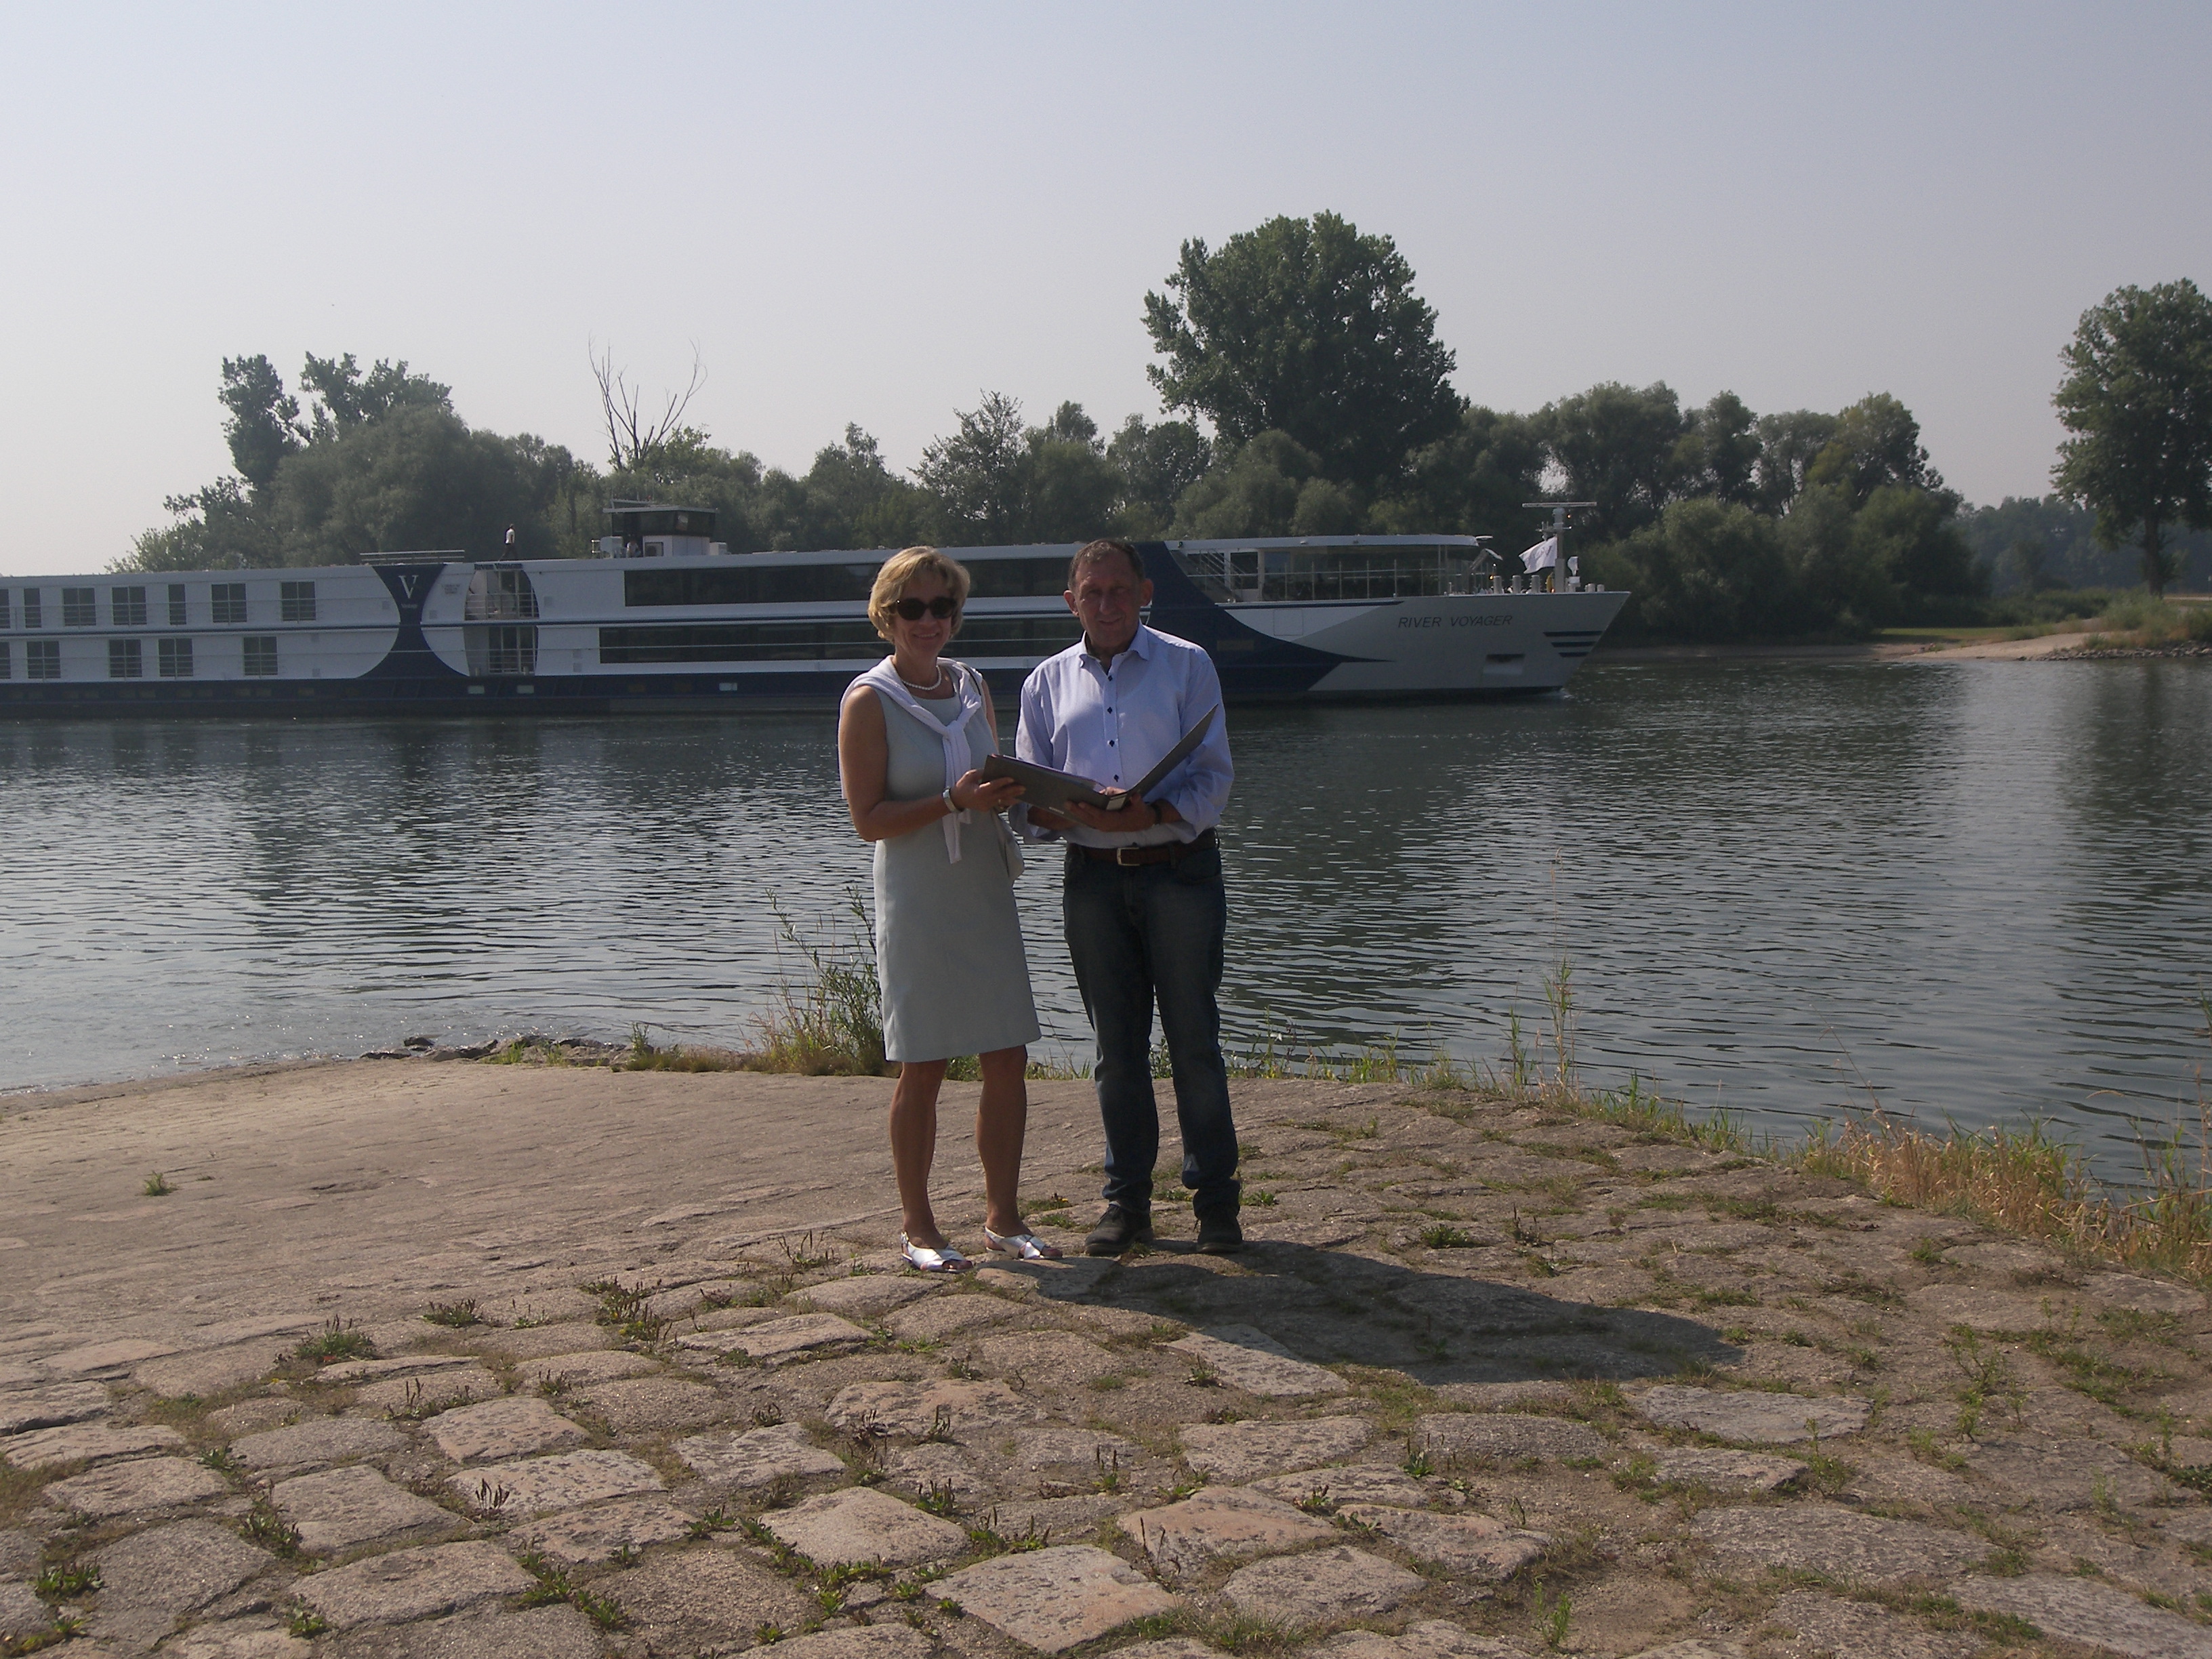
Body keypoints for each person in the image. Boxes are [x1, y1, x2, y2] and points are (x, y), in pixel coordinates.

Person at [1017, 539, 1240, 1256]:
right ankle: (1127, 1205)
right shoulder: (1044, 684)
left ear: (1144, 592)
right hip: (1093, 881)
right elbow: (1028, 801)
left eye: (1119, 590)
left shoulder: (1187, 664)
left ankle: (1216, 1207)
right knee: (1117, 1050)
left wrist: (1157, 816)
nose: (1107, 604)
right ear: (1071, 600)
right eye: (1092, 592)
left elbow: (1214, 779)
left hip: (1181, 871)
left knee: (1194, 1044)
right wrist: (1065, 812)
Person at [837, 546, 1058, 1271]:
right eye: (914, 608)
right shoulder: (868, 700)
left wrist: (1018, 795)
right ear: (887, 616)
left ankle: (1003, 1217)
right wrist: (949, 802)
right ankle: (919, 1225)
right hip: (920, 895)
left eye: (943, 607)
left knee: (1007, 1054)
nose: (930, 621)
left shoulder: (971, 686)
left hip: (982, 887)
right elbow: (867, 819)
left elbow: (987, 776)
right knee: (923, 1064)